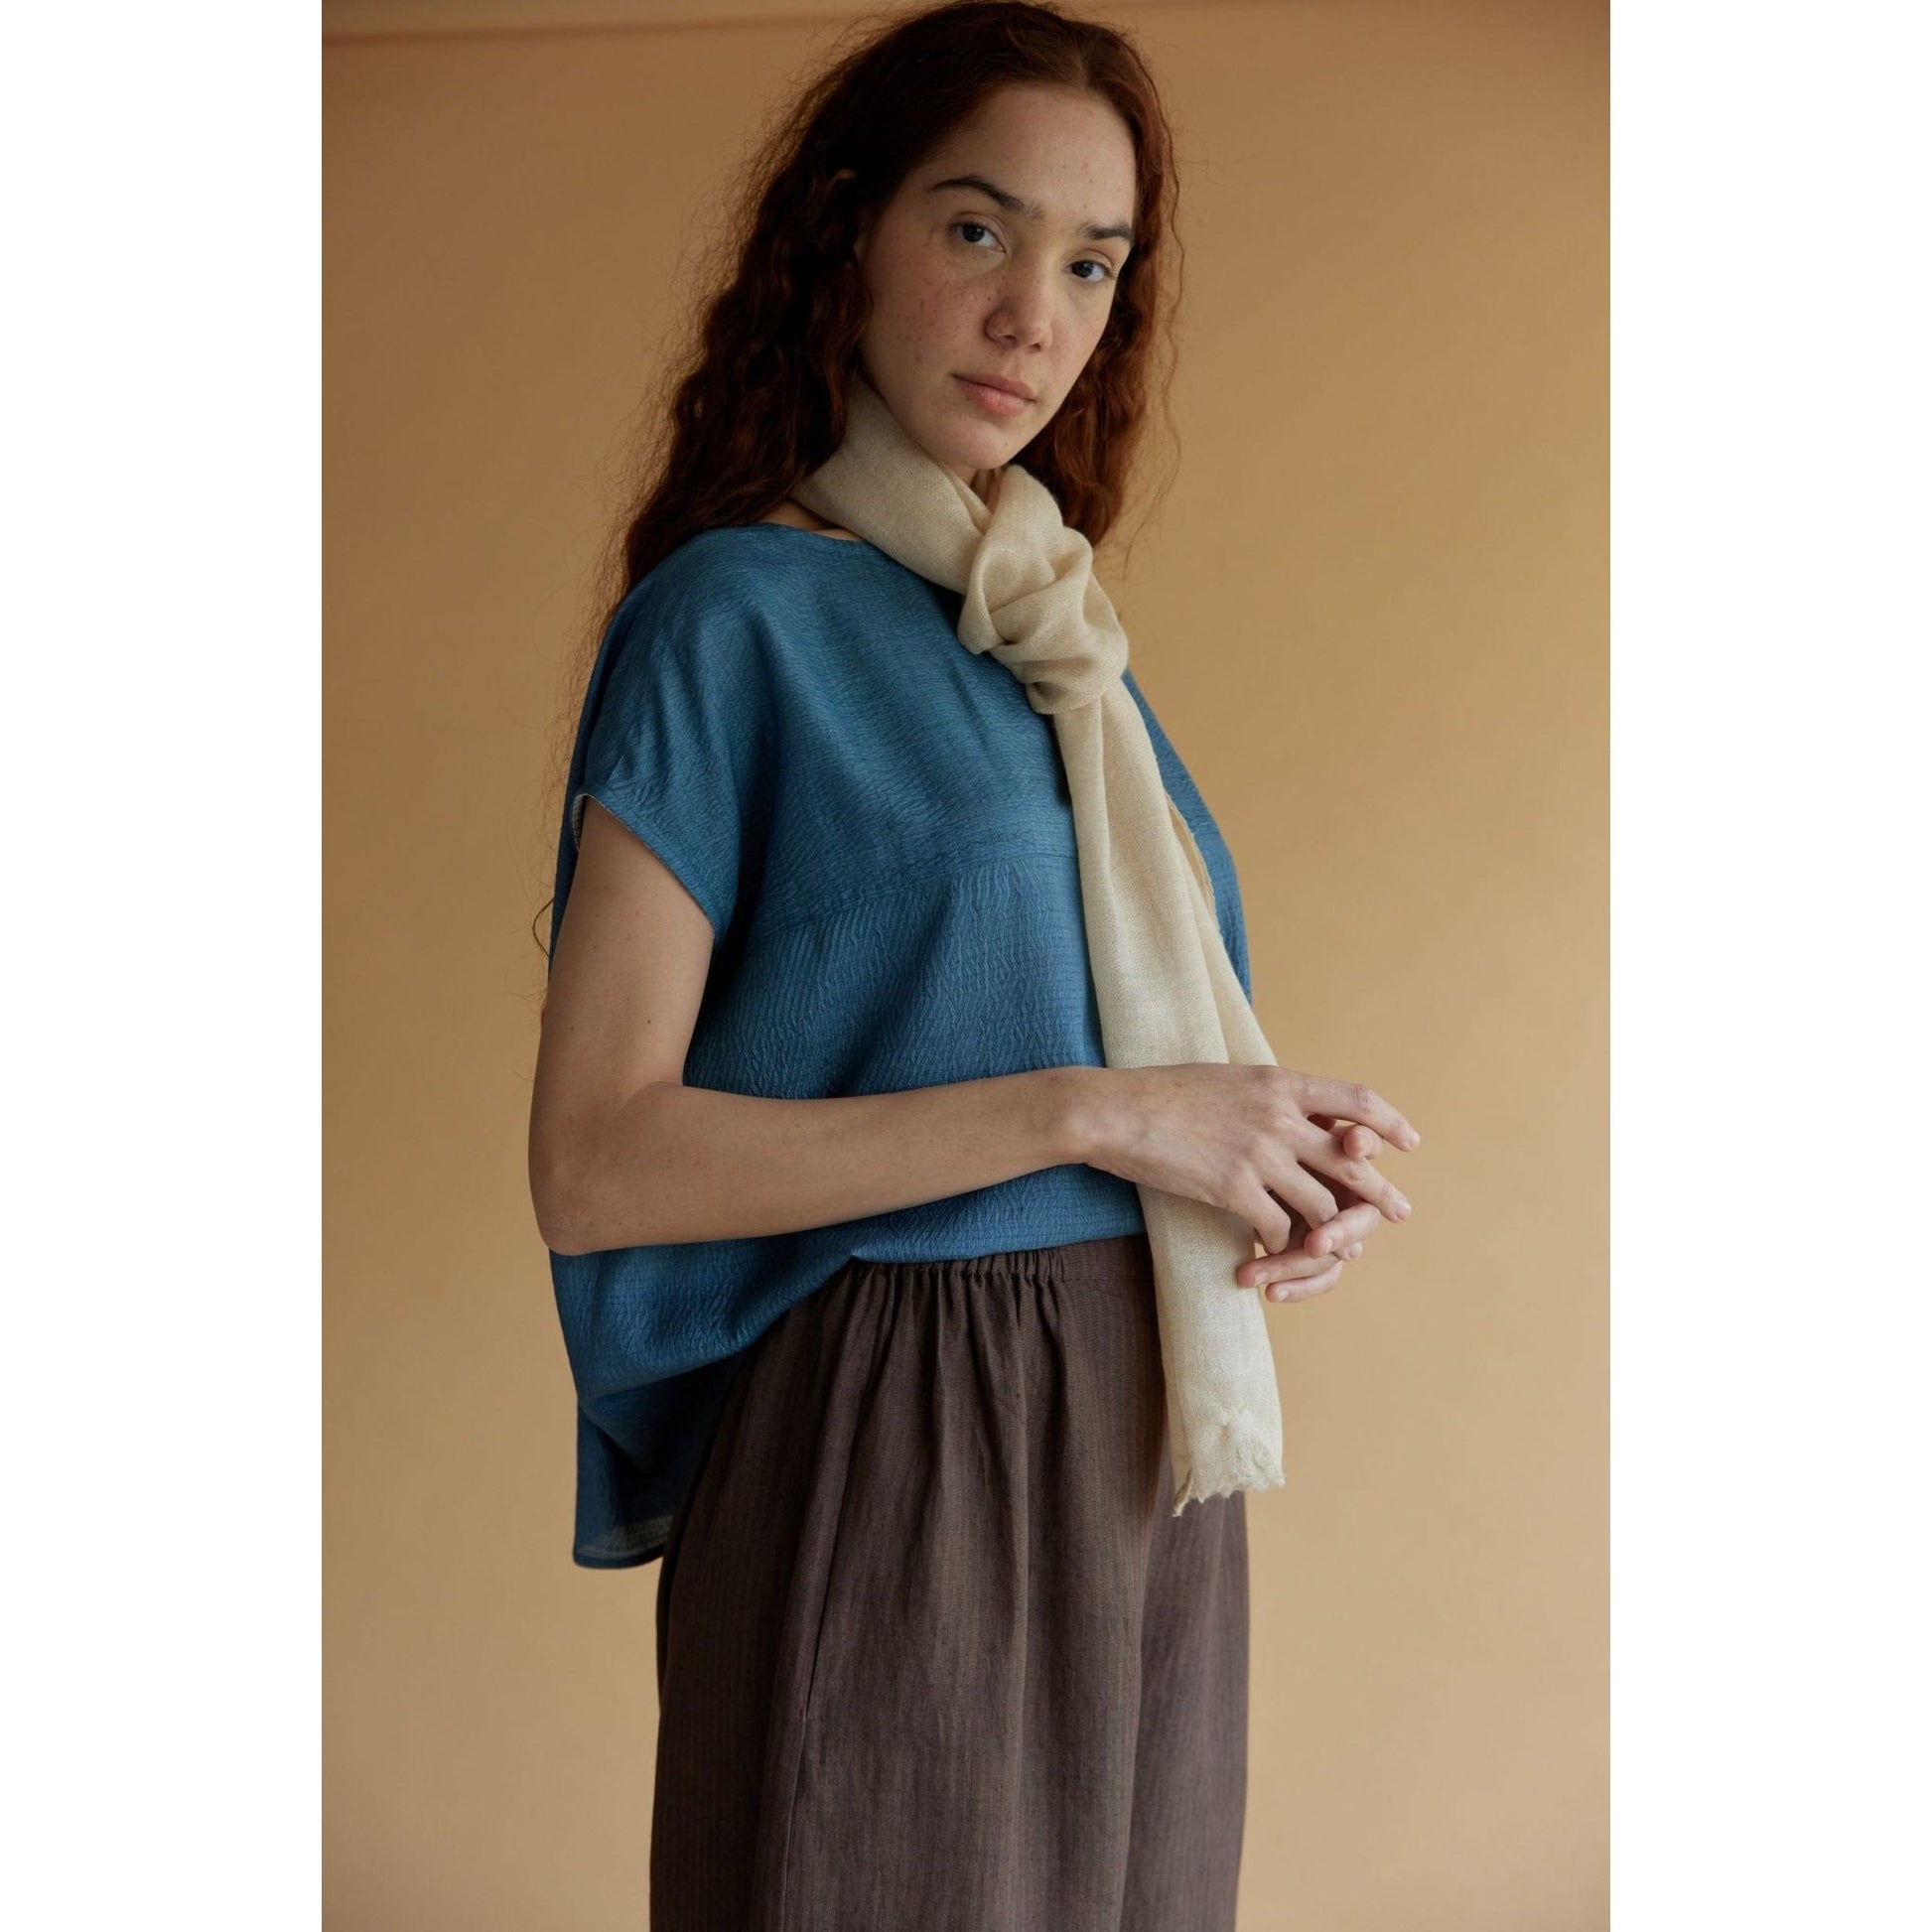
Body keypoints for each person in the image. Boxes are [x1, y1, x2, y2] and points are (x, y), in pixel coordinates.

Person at [526, 4, 1421, 1925]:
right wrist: (1100, 1114)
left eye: (1091, 263)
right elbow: (597, 1159)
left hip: (1140, 1448)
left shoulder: (1051, 640)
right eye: (975, 229)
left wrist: (1258, 1161)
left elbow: (1104, 1045)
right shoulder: (732, 619)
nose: (1032, 314)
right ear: (846, 235)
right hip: (904, 1433)